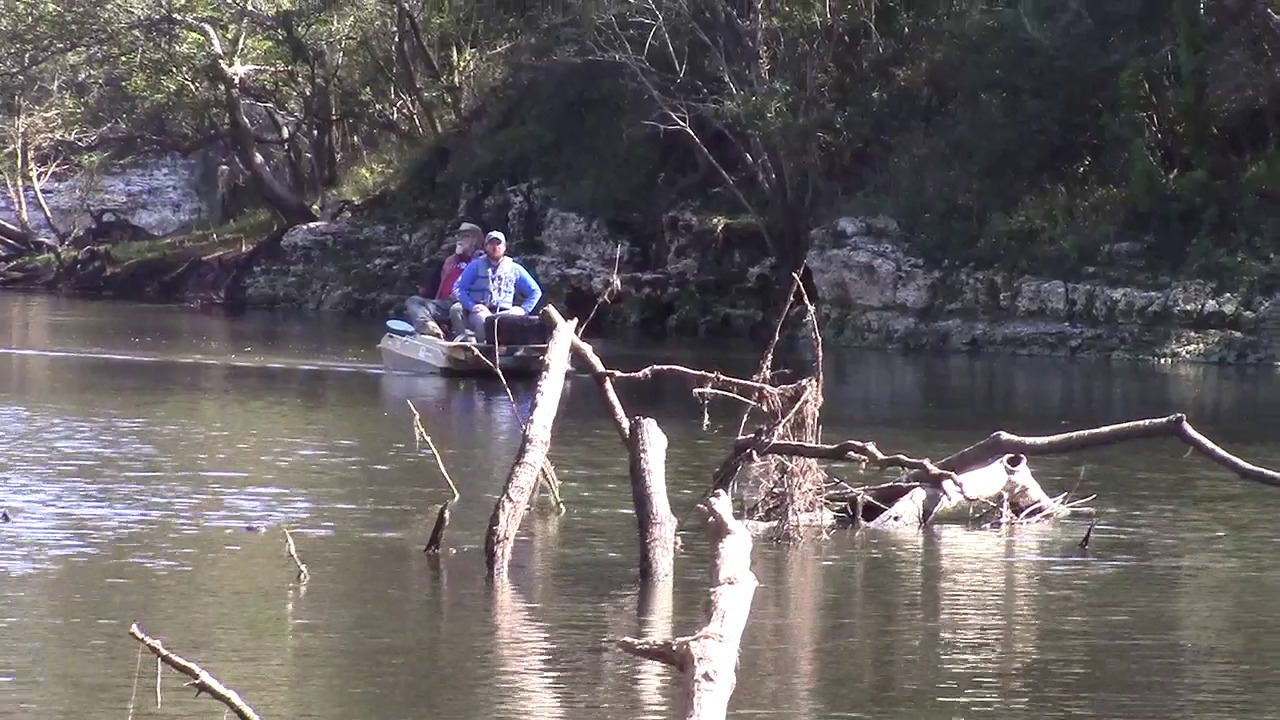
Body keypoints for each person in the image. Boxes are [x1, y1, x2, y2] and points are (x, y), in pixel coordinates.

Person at [450, 230, 543, 341]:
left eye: (498, 244)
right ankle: (482, 350)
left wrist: (524, 309)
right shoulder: (475, 266)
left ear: (504, 247)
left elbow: (535, 291)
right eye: (491, 244)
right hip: (481, 311)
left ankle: (512, 353)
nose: (495, 247)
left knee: (517, 319)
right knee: (484, 321)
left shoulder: (515, 269)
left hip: (505, 313)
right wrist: (472, 306)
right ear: (486, 246)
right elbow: (459, 288)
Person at [405, 222, 483, 337]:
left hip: (465, 303)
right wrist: (457, 257)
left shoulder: (481, 260)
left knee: (456, 308)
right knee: (414, 301)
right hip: (445, 303)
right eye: (459, 236)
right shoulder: (451, 260)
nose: (460, 239)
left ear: (476, 240)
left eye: (466, 236)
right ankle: (430, 327)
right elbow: (443, 284)